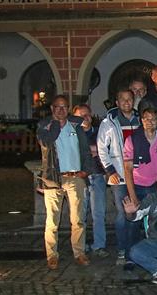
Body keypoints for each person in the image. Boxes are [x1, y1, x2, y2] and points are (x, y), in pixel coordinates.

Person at [37, 95, 93, 269]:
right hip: (54, 178)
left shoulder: (75, 125)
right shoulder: (44, 126)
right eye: (57, 107)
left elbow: (85, 148)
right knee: (52, 220)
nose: (61, 110)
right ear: (52, 108)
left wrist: (86, 170)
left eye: (64, 107)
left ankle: (79, 253)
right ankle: (51, 255)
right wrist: (56, 123)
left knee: (78, 219)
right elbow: (48, 140)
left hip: (75, 177)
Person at [97, 89, 140, 263]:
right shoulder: (109, 122)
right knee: (123, 214)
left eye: (129, 99)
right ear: (117, 102)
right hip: (120, 176)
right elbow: (101, 148)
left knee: (138, 211)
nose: (126, 102)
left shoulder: (140, 119)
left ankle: (135, 248)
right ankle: (123, 248)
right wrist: (110, 171)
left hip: (139, 174)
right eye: (122, 99)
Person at [72, 103, 109, 257]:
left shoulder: (99, 132)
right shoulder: (72, 133)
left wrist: (94, 151)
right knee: (80, 214)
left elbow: (105, 149)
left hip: (97, 175)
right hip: (80, 177)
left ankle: (99, 245)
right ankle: (81, 245)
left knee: (98, 213)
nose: (85, 118)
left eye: (87, 115)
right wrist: (91, 150)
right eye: (81, 115)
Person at [123, 107, 157, 206]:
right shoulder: (131, 140)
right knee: (133, 217)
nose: (149, 122)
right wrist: (133, 197)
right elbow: (128, 169)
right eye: (146, 119)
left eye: (153, 119)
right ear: (142, 120)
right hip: (136, 184)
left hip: (156, 184)